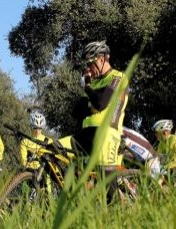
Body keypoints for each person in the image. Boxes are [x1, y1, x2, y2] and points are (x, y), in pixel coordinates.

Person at [59, 40, 129, 201]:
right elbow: (76, 111)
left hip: (107, 133)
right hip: (86, 134)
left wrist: (88, 88)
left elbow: (101, 103)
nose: (88, 69)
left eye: (91, 63)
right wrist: (92, 98)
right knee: (52, 150)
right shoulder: (95, 82)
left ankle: (125, 212)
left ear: (103, 59)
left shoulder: (117, 77)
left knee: (109, 188)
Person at [19, 112, 54, 192]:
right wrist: (27, 166)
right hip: (30, 171)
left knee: (46, 194)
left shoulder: (48, 141)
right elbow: (23, 160)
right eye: (35, 128)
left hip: (44, 171)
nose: (37, 130)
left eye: (39, 128)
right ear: (31, 127)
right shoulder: (25, 141)